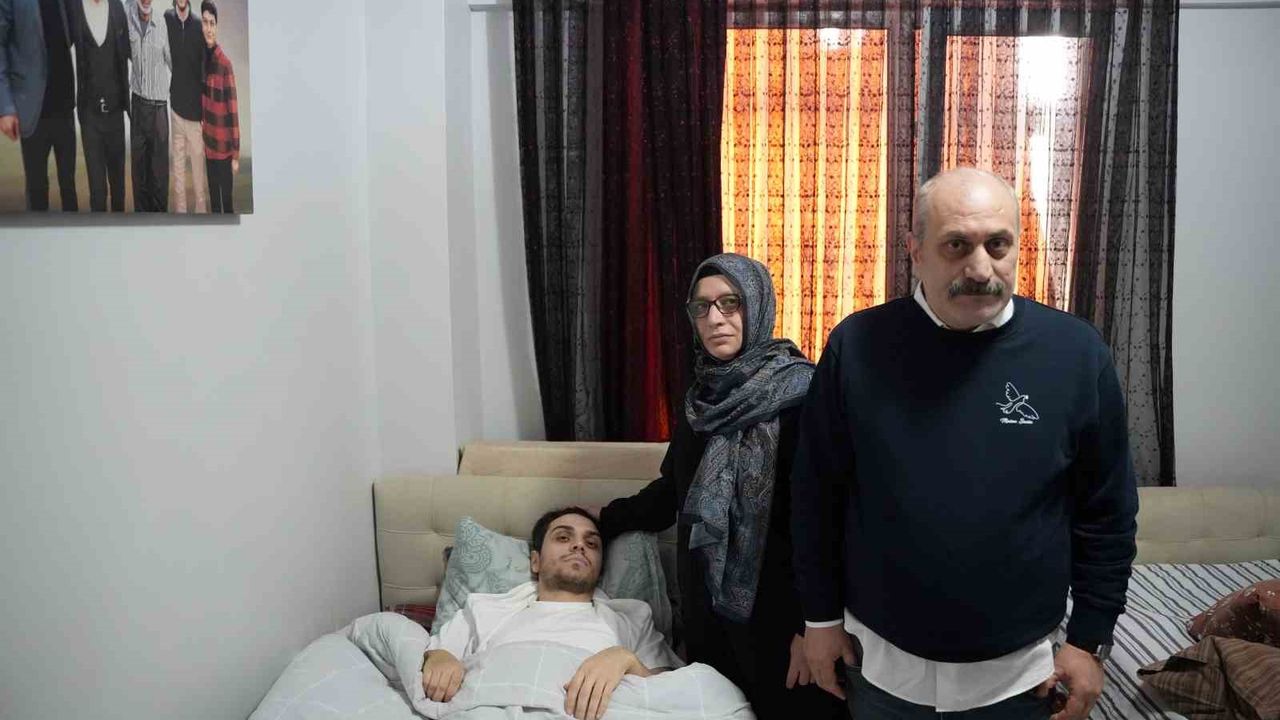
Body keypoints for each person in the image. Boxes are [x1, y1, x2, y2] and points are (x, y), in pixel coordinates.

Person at [792, 167, 1139, 720]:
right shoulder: (856, 347)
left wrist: (1090, 639)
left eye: (997, 245)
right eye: (956, 245)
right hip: (881, 668)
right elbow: (816, 498)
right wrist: (819, 618)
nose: (980, 269)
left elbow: (1108, 513)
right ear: (915, 250)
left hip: (1021, 678)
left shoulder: (1076, 354)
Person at [594, 253, 846, 718]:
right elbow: (672, 491)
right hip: (709, 616)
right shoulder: (700, 404)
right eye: (702, 307)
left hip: (785, 622)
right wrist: (599, 521)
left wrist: (813, 625)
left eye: (730, 303)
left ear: (757, 304)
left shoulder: (806, 395)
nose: (715, 318)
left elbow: (831, 521)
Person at [421, 507, 680, 720]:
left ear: (600, 567)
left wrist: (626, 660)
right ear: (536, 561)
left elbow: (673, 692)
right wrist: (440, 657)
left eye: (591, 543)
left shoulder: (631, 619)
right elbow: (439, 652)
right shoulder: (485, 610)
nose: (579, 546)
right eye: (564, 538)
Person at [0, 0, 79, 211]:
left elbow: (70, 32)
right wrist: (5, 108)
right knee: (37, 190)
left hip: (65, 104)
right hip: (33, 107)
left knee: (69, 188)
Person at [70, 0, 130, 212]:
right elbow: (57, 42)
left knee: (118, 190)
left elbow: (130, 49)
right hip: (90, 117)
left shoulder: (117, 7)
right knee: (97, 193)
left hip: (115, 115)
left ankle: (119, 233)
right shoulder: (75, 8)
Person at [125, 0, 170, 211]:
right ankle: (140, 224)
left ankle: (160, 224)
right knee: (139, 178)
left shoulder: (162, 22)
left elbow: (175, 63)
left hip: (159, 109)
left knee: (158, 180)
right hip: (138, 106)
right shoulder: (127, 18)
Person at [165, 0, 206, 212]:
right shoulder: (167, 18)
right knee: (178, 177)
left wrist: (204, 111)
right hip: (176, 109)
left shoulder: (198, 25)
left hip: (195, 115)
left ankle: (202, 216)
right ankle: (180, 219)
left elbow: (204, 68)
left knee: (198, 178)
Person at [199, 0, 237, 213]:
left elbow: (233, 112)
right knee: (214, 207)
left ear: (216, 26)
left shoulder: (225, 65)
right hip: (209, 149)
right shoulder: (202, 62)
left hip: (224, 151)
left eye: (212, 23)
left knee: (227, 207)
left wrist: (236, 154)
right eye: (204, 22)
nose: (208, 28)